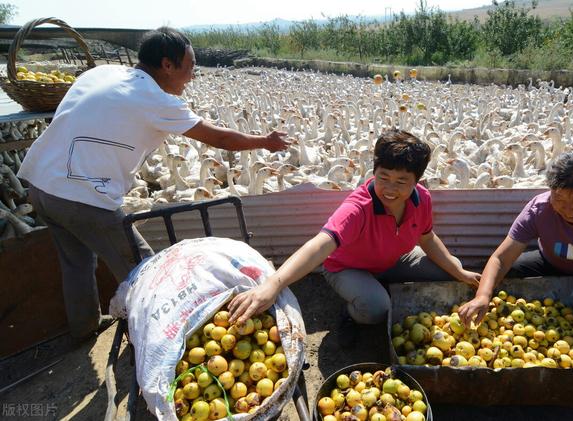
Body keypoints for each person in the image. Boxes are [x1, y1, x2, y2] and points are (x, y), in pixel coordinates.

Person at [17, 27, 288, 339]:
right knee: (147, 269)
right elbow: (220, 138)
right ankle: (160, 338)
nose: (192, 77)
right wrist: (265, 141)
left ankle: (84, 330)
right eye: (190, 68)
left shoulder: (103, 73)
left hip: (40, 184)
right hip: (82, 198)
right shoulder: (155, 100)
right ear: (167, 65)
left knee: (76, 262)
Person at [228, 129, 480, 347]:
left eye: (402, 181)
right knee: (376, 310)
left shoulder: (422, 198)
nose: (390, 189)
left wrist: (460, 272)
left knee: (449, 270)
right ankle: (351, 313)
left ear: (417, 181)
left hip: (393, 259)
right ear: (374, 172)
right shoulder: (358, 208)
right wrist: (272, 285)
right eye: (384, 178)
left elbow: (427, 239)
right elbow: (319, 246)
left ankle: (382, 288)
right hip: (347, 268)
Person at [459, 150, 573, 328]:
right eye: (559, 199)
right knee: (497, 277)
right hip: (551, 263)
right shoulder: (539, 209)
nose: (568, 209)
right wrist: (483, 295)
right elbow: (500, 259)